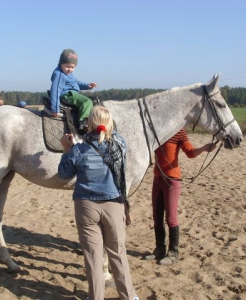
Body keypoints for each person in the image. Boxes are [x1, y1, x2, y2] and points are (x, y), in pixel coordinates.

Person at [58, 106, 138, 300]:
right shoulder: (120, 144)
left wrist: (66, 149)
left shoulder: (78, 149)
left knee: (93, 257)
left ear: (89, 124)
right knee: (117, 252)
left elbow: (63, 174)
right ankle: (129, 296)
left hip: (86, 206)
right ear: (109, 123)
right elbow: (111, 138)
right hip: (113, 204)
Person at [145, 129, 217, 265]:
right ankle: (159, 249)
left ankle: (173, 253)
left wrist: (203, 148)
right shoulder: (158, 129)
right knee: (156, 216)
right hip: (157, 179)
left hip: (172, 180)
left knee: (171, 218)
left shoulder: (179, 131)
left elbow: (190, 152)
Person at [49, 48, 97, 131]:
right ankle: (83, 122)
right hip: (67, 95)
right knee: (87, 102)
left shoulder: (68, 73)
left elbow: (76, 82)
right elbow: (55, 90)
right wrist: (55, 108)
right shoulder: (59, 74)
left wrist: (88, 86)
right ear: (61, 63)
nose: (70, 69)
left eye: (72, 67)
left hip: (72, 94)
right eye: (68, 66)